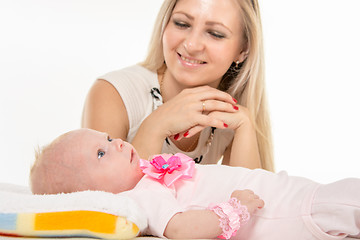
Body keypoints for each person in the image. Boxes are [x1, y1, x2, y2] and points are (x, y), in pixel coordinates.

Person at [31, 128, 360, 239]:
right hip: (288, 211)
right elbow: (180, 228)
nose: (117, 143)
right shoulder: (141, 196)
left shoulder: (147, 174)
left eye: (109, 138)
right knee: (349, 201)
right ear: (92, 193)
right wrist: (232, 210)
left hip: (290, 194)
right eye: (102, 153)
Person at [81, 0, 274, 171]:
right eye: (182, 24)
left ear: (243, 50)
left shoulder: (232, 117)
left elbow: (246, 205)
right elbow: (106, 206)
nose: (192, 44)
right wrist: (154, 127)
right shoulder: (114, 93)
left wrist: (246, 126)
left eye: (215, 34)